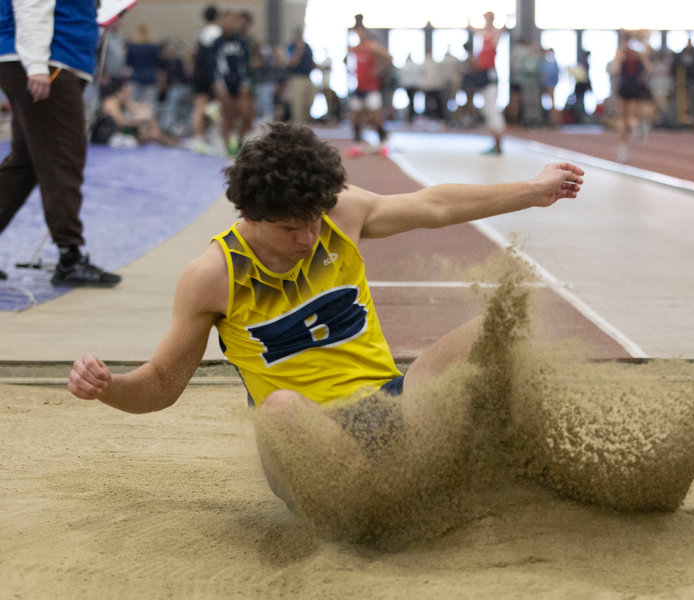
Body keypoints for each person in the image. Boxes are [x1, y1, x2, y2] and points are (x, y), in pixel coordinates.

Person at [66, 123, 584, 507]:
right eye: (291, 228)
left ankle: (536, 469)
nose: (308, 237)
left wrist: (534, 191)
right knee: (281, 409)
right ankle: (386, 510)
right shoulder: (213, 276)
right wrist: (108, 387)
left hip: (392, 410)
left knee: (494, 330)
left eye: (314, 220)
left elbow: (434, 205)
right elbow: (162, 382)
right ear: (251, 215)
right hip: (310, 443)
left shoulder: (338, 213)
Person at [0, 0, 121, 286]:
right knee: (63, 158)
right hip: (49, 62)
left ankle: (69, 254)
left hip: (50, 59)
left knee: (25, 163)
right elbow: (31, 4)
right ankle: (69, 257)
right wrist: (36, 64)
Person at [345, 19, 392, 156]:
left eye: (361, 31)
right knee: (355, 117)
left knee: (375, 117)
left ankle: (383, 141)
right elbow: (345, 60)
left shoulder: (372, 46)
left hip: (372, 87)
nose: (359, 34)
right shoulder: (354, 48)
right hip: (359, 87)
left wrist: (377, 70)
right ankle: (357, 144)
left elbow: (388, 58)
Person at [211, 10, 253, 157]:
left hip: (240, 83)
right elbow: (215, 65)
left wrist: (245, 84)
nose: (229, 23)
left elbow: (246, 64)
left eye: (232, 20)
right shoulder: (218, 42)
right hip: (225, 83)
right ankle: (227, 144)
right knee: (227, 114)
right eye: (226, 20)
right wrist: (219, 85)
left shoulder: (242, 41)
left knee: (245, 113)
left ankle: (242, 141)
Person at [467, 11, 507, 154]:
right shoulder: (483, 35)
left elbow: (503, 28)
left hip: (490, 74)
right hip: (481, 74)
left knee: (491, 109)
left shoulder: (495, 34)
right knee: (486, 109)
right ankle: (495, 140)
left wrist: (504, 17)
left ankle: (498, 140)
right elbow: (471, 27)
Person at [99, 78, 180, 147]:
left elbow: (145, 108)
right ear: (118, 92)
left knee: (150, 121)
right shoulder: (110, 103)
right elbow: (121, 122)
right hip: (110, 138)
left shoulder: (124, 102)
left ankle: (171, 141)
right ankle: (172, 143)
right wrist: (140, 120)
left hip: (121, 135)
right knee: (152, 135)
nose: (128, 95)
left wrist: (146, 115)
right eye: (126, 93)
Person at [189, 5, 221, 154]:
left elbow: (194, 53)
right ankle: (198, 137)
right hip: (208, 74)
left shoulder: (200, 32)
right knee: (203, 106)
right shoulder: (216, 32)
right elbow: (215, 57)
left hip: (200, 72)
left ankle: (201, 136)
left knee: (204, 106)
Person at [284, 27, 316, 126]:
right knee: (298, 106)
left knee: (309, 102)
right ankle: (298, 127)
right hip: (297, 79)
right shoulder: (291, 47)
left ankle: (306, 125)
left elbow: (311, 62)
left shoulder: (308, 47)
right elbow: (292, 62)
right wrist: (299, 49)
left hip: (308, 78)